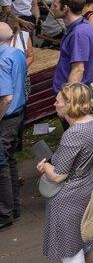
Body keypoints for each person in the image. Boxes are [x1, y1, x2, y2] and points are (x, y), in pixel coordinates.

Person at [38, 83, 93, 262]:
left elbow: (59, 175)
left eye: (58, 101)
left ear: (69, 104)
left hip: (68, 197)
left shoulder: (73, 134)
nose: (54, 104)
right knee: (84, 242)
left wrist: (45, 167)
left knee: (69, 251)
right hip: (87, 185)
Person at [0, 23, 26, 230]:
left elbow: (5, 97)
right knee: (8, 160)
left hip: (6, 117)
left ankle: (5, 212)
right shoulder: (16, 53)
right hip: (18, 114)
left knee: (1, 165)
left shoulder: (1, 59)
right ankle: (14, 208)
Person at [54, 0, 93, 94]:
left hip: (72, 95)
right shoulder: (80, 26)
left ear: (65, 8)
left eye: (55, 6)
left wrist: (68, 99)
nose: (52, 8)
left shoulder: (79, 33)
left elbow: (78, 69)